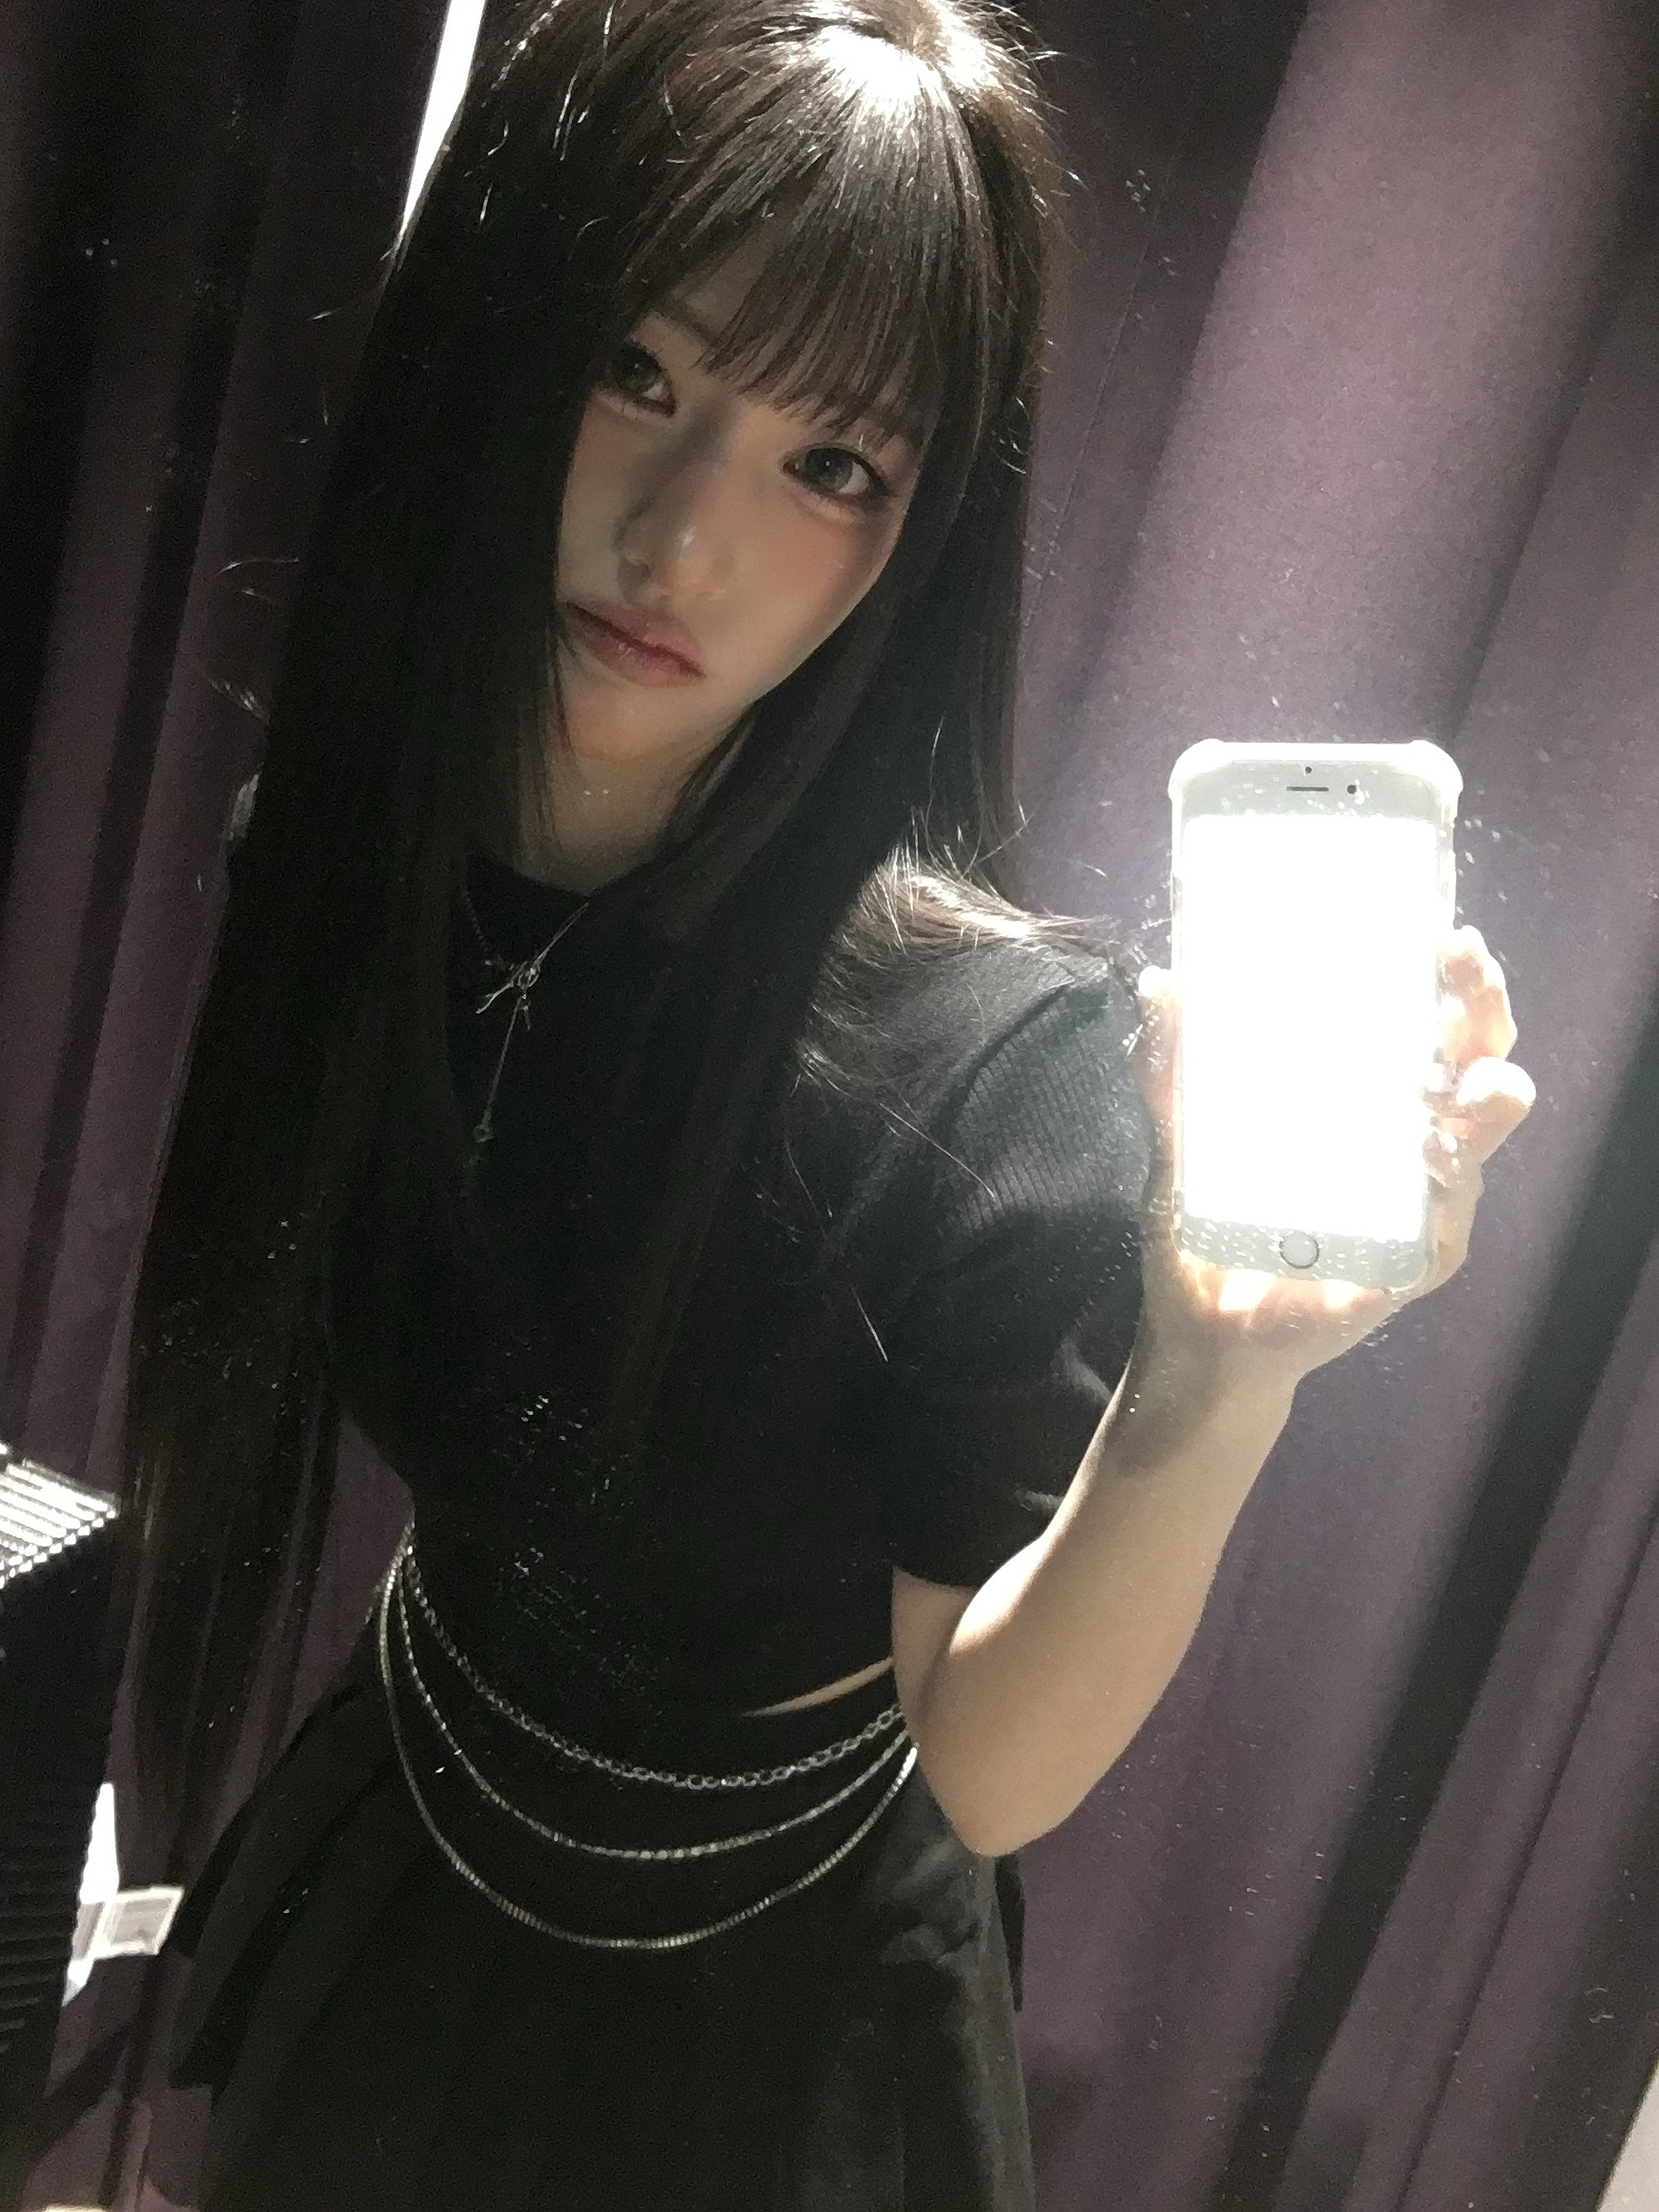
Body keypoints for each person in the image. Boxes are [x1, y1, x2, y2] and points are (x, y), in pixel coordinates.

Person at [126, 1, 1535, 2206]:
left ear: (917, 532)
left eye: (834, 465)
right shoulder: (332, 870)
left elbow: (986, 1764)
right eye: (638, 371)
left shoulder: (982, 1080)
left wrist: (1213, 1382)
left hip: (764, 2030)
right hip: (426, 1831)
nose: (689, 534)